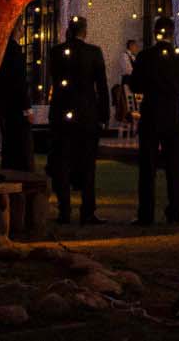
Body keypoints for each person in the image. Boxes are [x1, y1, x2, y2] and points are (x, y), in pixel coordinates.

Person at [128, 16, 179, 225]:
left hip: (151, 116)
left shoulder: (145, 56)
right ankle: (175, 212)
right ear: (173, 34)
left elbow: (135, 85)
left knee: (147, 168)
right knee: (174, 169)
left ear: (156, 33)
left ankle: (146, 214)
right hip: (172, 116)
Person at [47, 17, 109, 224]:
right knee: (88, 164)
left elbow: (55, 79)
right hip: (87, 115)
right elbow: (102, 86)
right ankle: (87, 211)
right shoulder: (93, 52)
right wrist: (104, 115)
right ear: (85, 31)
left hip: (62, 113)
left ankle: (64, 210)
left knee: (62, 162)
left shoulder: (56, 52)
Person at [0, 35, 34, 172]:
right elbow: (20, 83)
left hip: (4, 105)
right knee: (20, 145)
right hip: (16, 108)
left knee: (8, 145)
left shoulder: (1, 49)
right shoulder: (14, 51)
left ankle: (9, 169)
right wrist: (27, 109)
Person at [111, 38, 140, 125]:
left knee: (137, 102)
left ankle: (136, 120)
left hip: (134, 82)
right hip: (128, 82)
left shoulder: (134, 57)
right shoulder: (124, 56)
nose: (137, 48)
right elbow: (128, 70)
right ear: (130, 46)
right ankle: (129, 120)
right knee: (128, 103)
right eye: (135, 46)